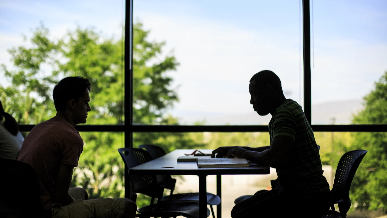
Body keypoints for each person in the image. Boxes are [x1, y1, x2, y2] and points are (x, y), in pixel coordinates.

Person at [212, 70, 331, 218]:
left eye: (253, 94)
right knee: (242, 209)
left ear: (268, 90)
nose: (251, 101)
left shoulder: (283, 115)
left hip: (306, 197)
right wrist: (239, 150)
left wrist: (244, 153)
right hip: (311, 192)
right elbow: (277, 149)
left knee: (240, 213)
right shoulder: (291, 107)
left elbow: (275, 158)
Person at [17, 77, 136, 218]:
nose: (89, 108)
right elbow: (60, 196)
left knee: (81, 192)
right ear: (72, 104)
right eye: (86, 103)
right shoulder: (70, 137)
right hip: (45, 211)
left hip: (20, 206)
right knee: (128, 206)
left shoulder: (40, 128)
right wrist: (75, 205)